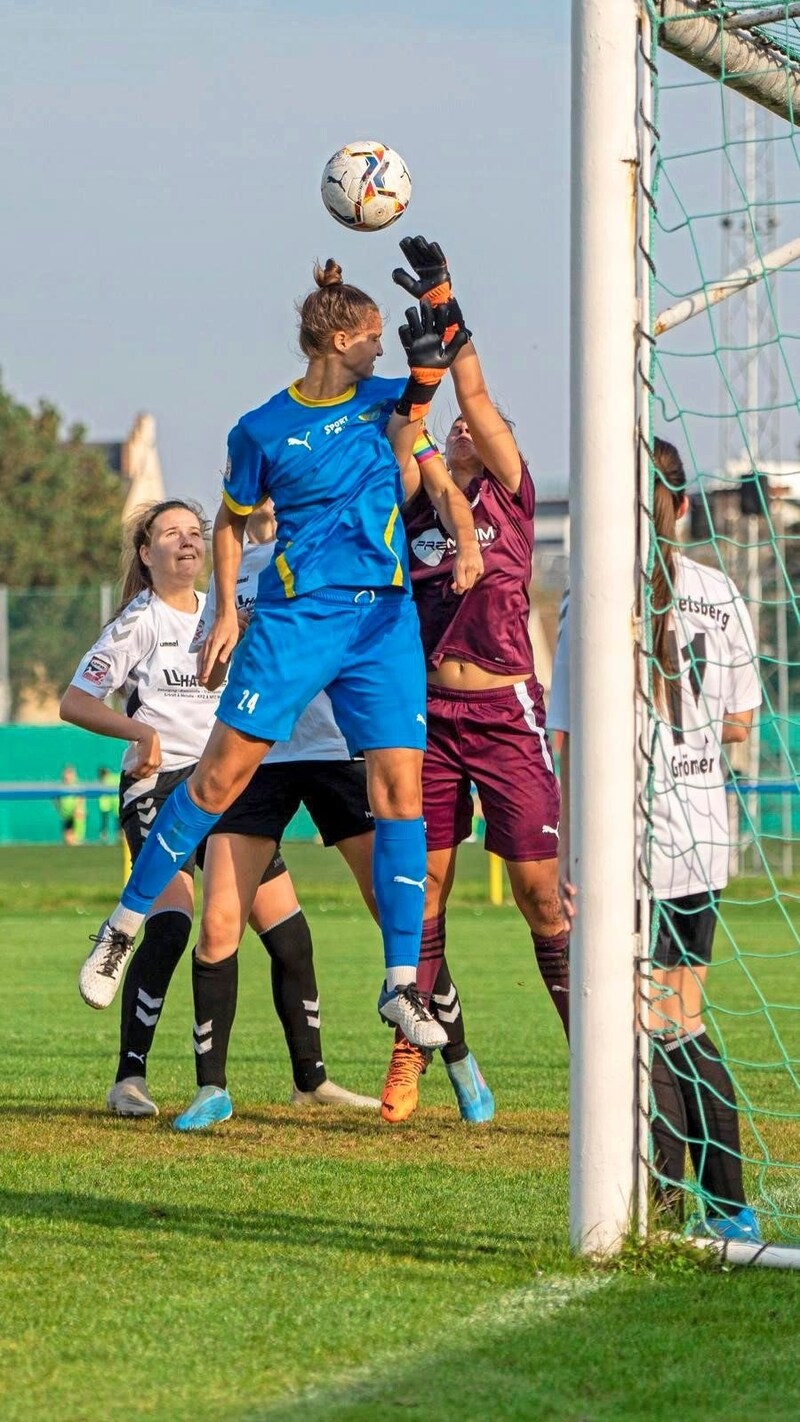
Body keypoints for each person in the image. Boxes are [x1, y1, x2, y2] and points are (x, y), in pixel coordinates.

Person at [80, 253, 481, 1056]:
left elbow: (420, 417)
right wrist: (228, 610)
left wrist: (436, 340)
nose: (380, 348)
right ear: (335, 338)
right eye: (371, 337)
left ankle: (402, 983)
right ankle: (124, 923)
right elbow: (230, 525)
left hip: (383, 624)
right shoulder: (260, 428)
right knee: (219, 777)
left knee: (402, 791)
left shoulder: (382, 401)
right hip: (300, 622)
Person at [62, 499, 375, 1118]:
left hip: (225, 789)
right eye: (169, 534)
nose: (186, 542)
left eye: (194, 533)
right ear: (146, 555)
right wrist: (139, 735)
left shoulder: (222, 610)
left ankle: (311, 1081)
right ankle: (129, 1078)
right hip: (159, 788)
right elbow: (75, 701)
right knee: (174, 924)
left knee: (289, 935)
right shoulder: (140, 621)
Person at [548, 437, 763, 1243]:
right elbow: (741, 722)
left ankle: (664, 1211)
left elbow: (565, 743)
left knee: (641, 1025)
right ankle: (730, 1208)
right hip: (705, 837)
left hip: (628, 840)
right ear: (681, 505)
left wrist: (570, 854)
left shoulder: (594, 598)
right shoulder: (723, 591)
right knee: (685, 1019)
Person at [379, 237, 569, 1126]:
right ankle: (414, 1051)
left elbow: (475, 396)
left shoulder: (509, 498)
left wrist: (450, 308)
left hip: (504, 714)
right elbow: (407, 432)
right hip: (429, 720)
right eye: (453, 432)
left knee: (541, 897)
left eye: (481, 432)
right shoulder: (418, 505)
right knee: (426, 888)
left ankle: (596, 1060)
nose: (467, 429)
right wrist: (418, 373)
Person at [55, 766, 87, 845]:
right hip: (66, 815)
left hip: (76, 815)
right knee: (68, 840)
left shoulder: (77, 787)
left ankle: (78, 839)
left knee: (75, 840)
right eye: (66, 774)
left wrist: (77, 809)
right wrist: (60, 809)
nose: (68, 776)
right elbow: (56, 799)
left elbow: (81, 799)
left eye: (70, 774)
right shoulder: (60, 787)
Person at [97, 766, 118, 843]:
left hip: (114, 803)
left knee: (116, 820)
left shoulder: (111, 779)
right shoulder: (108, 779)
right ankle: (105, 835)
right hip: (109, 803)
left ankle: (116, 835)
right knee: (106, 819)